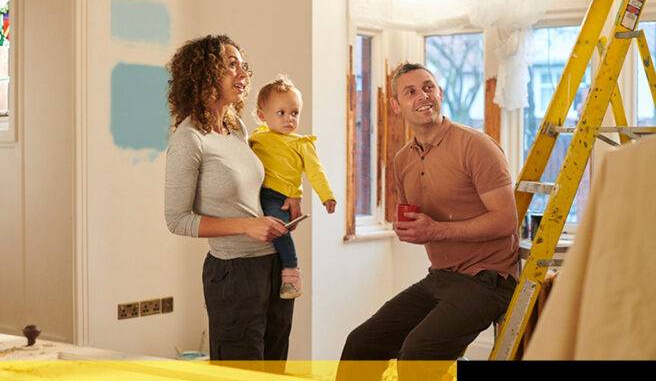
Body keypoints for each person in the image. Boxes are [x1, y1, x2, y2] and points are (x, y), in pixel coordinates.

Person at [337, 63, 519, 380]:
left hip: (489, 280)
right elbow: (420, 217)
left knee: (415, 357)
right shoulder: (403, 159)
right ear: (395, 105)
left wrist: (435, 230)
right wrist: (409, 228)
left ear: (440, 93)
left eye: (428, 87)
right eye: (410, 91)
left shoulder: (476, 146)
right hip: (441, 278)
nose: (423, 96)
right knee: (361, 345)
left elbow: (506, 221)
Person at [163, 35, 300, 372]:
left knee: (274, 368)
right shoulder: (189, 140)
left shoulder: (236, 127)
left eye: (242, 64)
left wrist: (287, 197)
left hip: (273, 266)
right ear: (204, 73)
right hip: (233, 274)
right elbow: (177, 219)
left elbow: (251, 192)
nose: (242, 72)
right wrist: (246, 226)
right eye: (230, 64)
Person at [250, 75, 337, 299]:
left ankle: (291, 271)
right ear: (262, 115)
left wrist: (326, 196)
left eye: (295, 113)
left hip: (279, 197)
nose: (289, 118)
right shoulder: (256, 138)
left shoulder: (301, 144)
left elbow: (316, 172)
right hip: (254, 194)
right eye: (281, 113)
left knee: (279, 229)